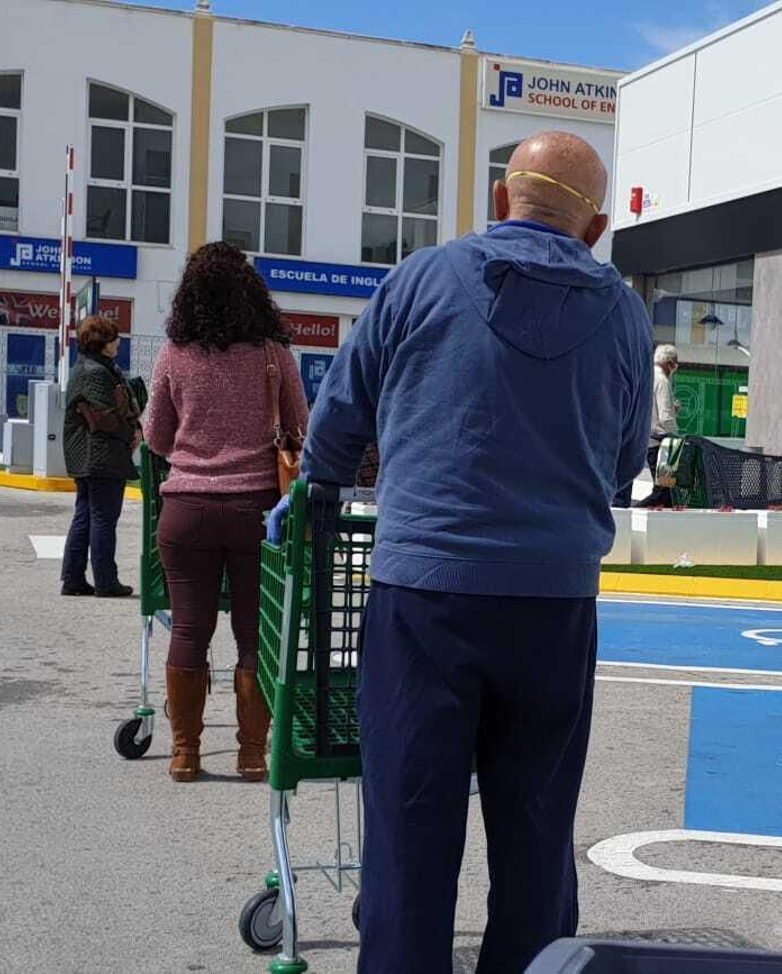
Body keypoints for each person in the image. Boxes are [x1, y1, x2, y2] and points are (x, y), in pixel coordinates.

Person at [274, 130, 651, 973]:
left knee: (410, 826)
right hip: (554, 603)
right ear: (592, 231)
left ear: (497, 200)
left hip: (423, 598)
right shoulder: (623, 313)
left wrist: (317, 494)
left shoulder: (418, 280)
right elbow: (626, 459)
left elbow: (339, 418)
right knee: (536, 829)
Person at [142, 241, 309, 784]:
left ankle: (186, 753)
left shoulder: (175, 353)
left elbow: (156, 438)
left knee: (188, 628)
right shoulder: (272, 352)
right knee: (252, 633)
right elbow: (300, 426)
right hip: (256, 511)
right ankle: (251, 752)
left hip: (185, 509)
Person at [60, 314, 138, 598]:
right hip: (100, 456)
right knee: (103, 518)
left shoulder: (91, 368)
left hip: (89, 456)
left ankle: (73, 578)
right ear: (103, 343)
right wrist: (131, 433)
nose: (118, 342)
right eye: (114, 338)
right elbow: (105, 417)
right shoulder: (95, 372)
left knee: (85, 516)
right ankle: (106, 581)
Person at [632, 343, 680, 508]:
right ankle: (633, 512)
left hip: (647, 439)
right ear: (670, 363)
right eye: (676, 363)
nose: (675, 367)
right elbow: (665, 417)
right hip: (664, 445)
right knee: (663, 491)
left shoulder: (646, 376)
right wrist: (678, 437)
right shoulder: (662, 381)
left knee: (664, 492)